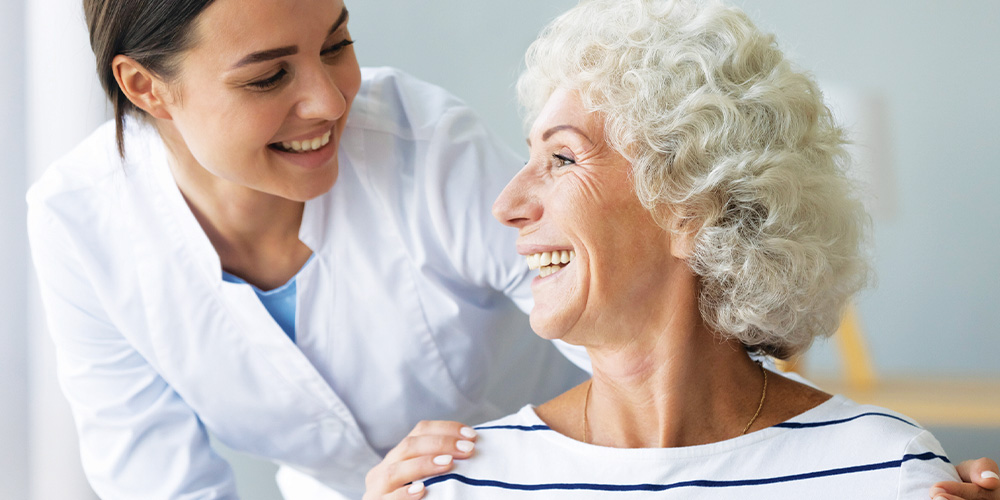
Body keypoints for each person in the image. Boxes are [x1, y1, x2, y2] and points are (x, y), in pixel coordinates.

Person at [363, 1, 1000, 499]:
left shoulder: (884, 473)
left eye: (561, 157)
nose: (507, 204)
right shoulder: (456, 484)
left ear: (689, 206)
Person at [26, 0, 588, 498]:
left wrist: (500, 459)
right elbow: (155, 482)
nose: (328, 102)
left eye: (336, 45)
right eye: (269, 77)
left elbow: (636, 362)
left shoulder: (428, 150)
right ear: (146, 87)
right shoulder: (78, 223)